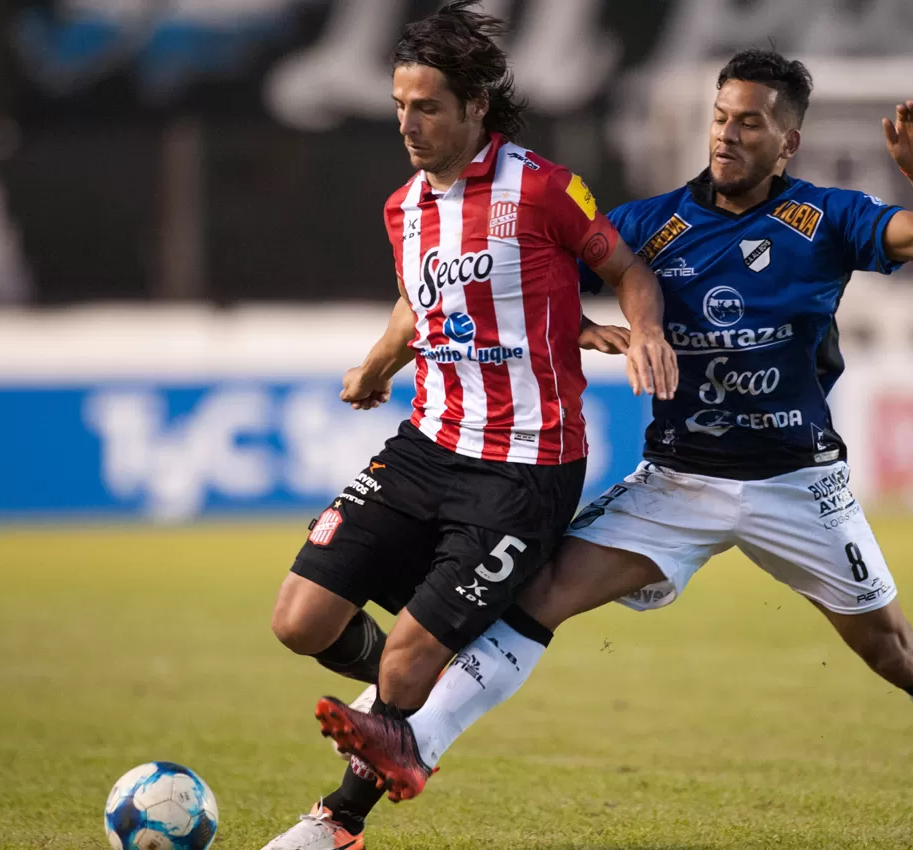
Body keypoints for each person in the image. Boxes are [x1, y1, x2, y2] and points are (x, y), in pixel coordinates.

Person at [311, 49, 913, 844]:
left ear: (789, 143)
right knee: (535, 598)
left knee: (896, 653)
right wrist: (392, 359)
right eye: (720, 118)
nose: (728, 136)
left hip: (797, 484)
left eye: (751, 123)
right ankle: (372, 785)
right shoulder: (650, 224)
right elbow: (500, 284)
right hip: (678, 482)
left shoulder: (828, 219)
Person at [259, 3, 678, 848]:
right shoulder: (403, 208)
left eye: (428, 108)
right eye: (400, 107)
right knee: (299, 620)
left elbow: (623, 268)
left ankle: (339, 820)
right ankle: (411, 678)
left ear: (476, 106)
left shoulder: (543, 187)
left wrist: (645, 330)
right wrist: (379, 364)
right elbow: (422, 303)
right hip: (427, 444)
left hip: (522, 467)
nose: (409, 126)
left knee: (409, 661)